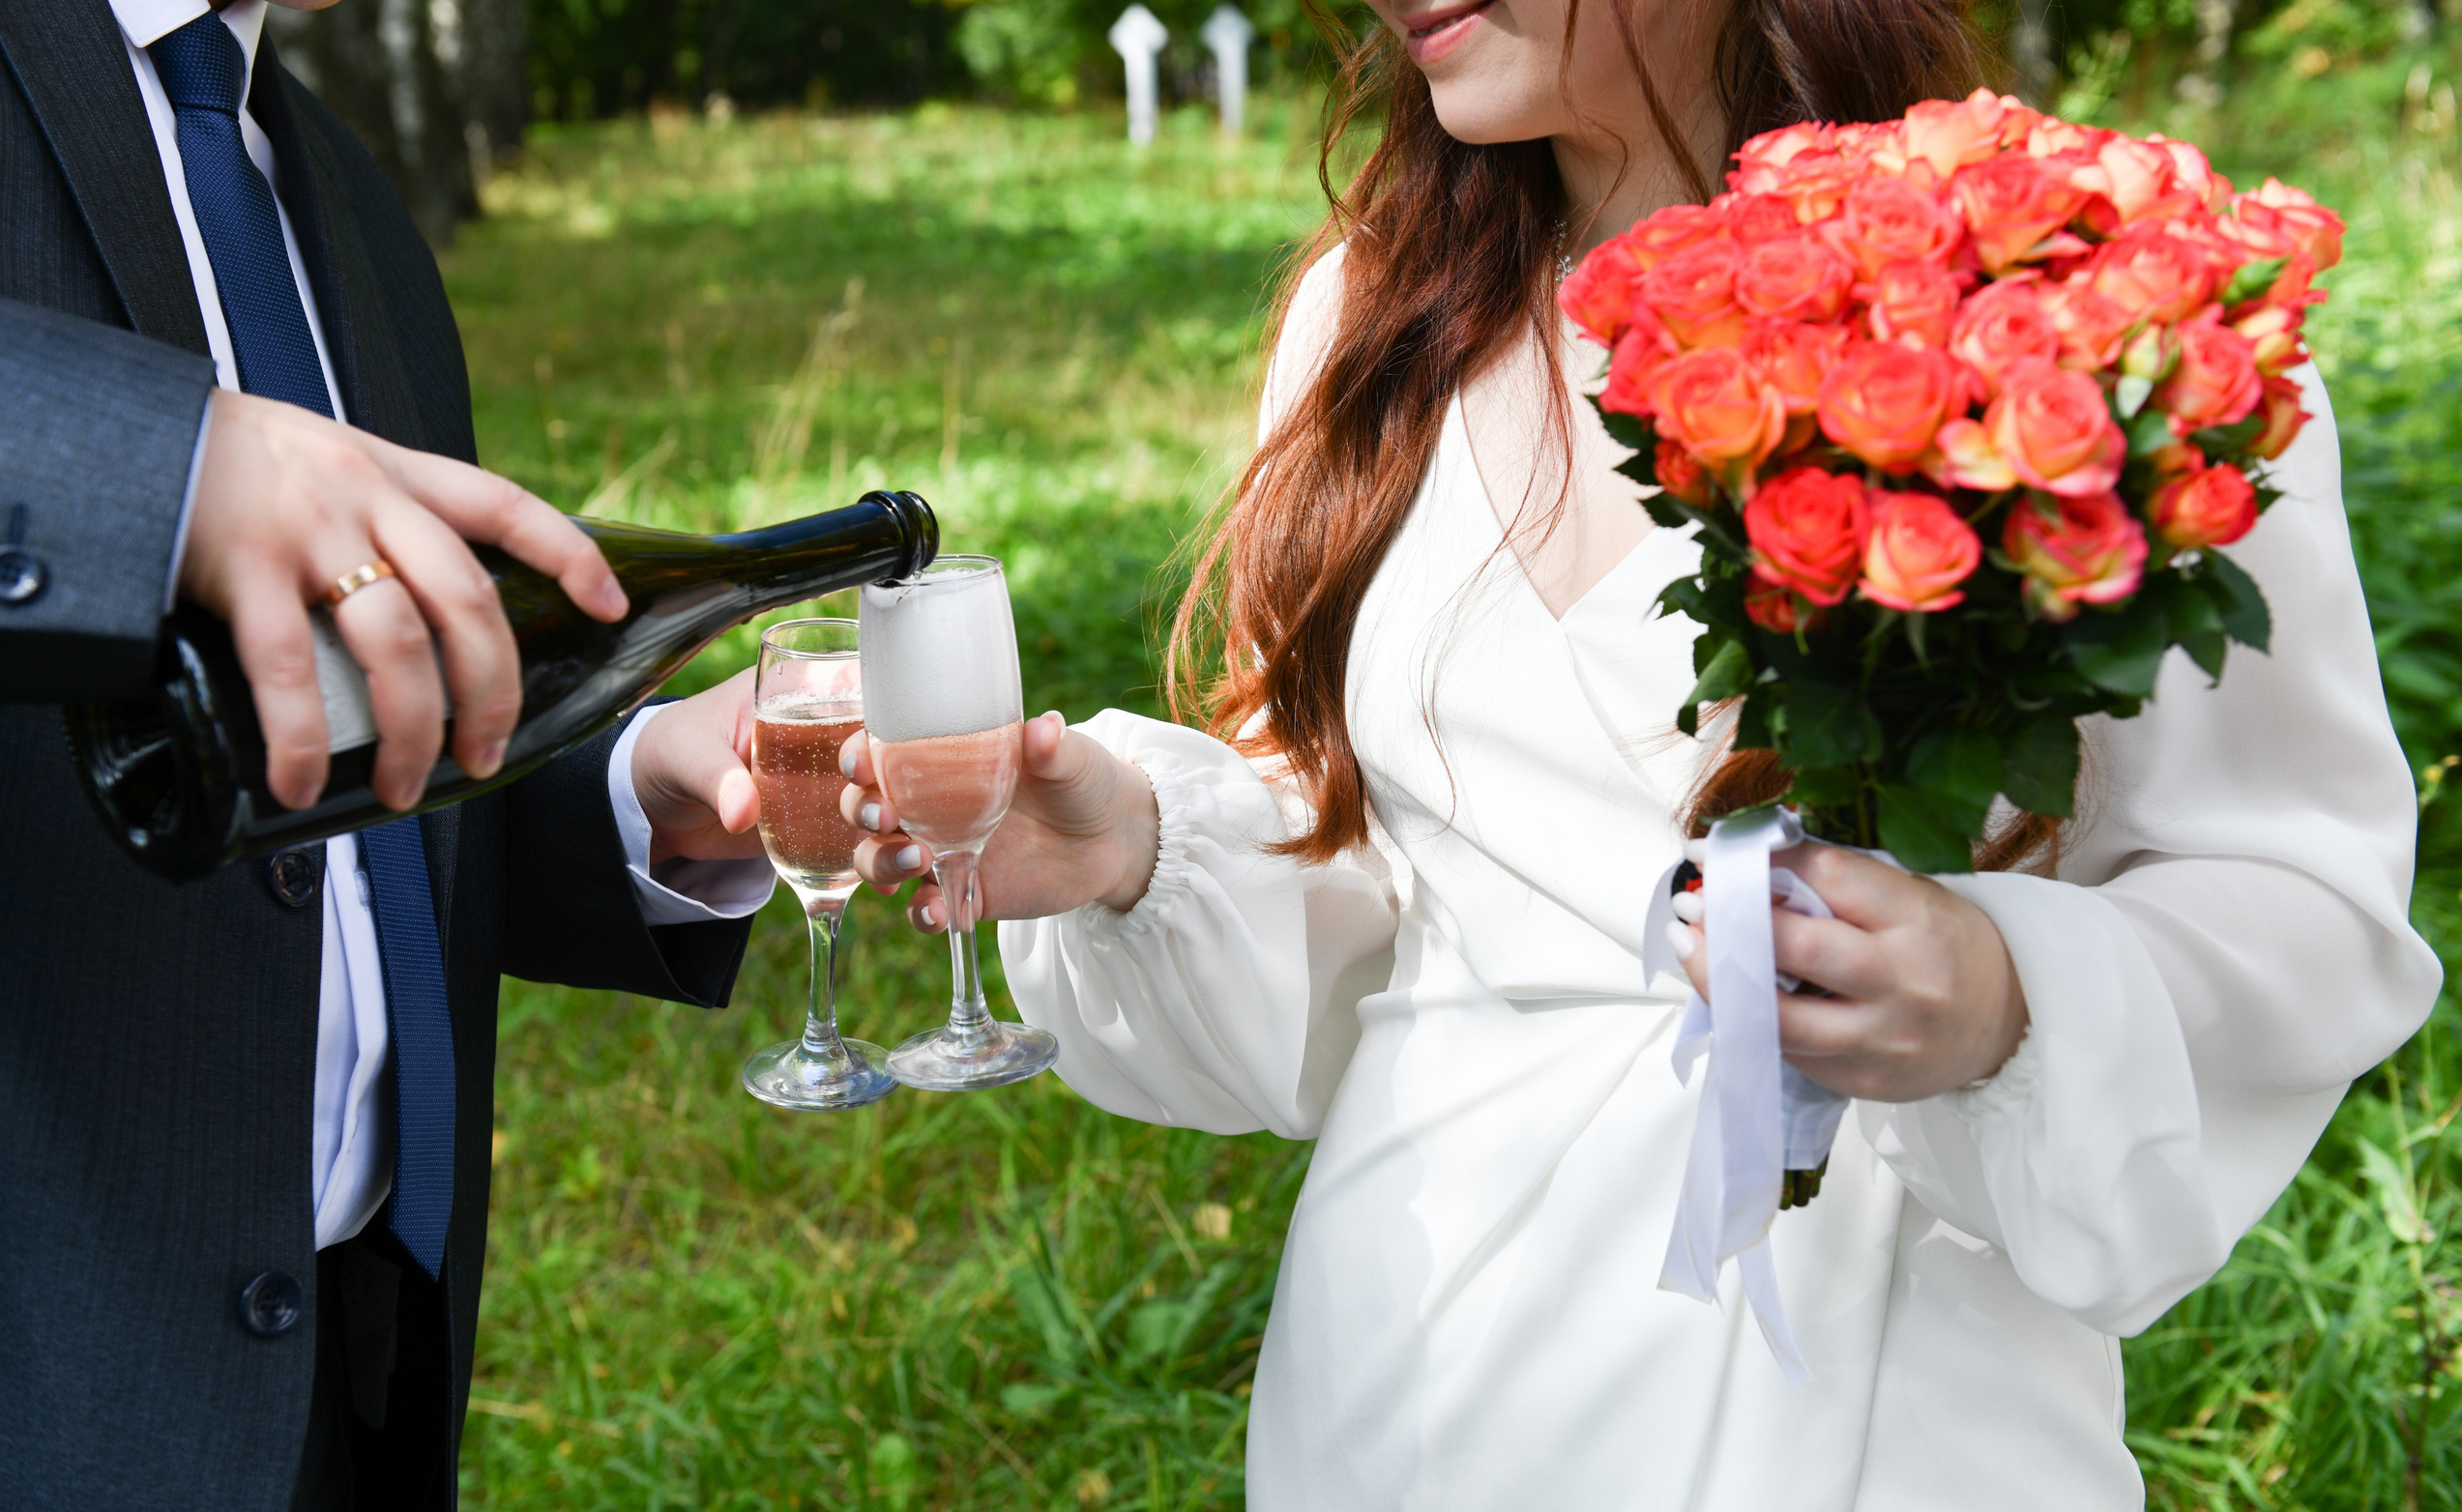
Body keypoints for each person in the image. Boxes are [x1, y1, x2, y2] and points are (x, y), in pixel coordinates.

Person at [840, 1, 2442, 1505]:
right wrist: (1138, 851)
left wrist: (2005, 996)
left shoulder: (2091, 314)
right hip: (1415, 1353)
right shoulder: (1370, 313)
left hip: (1880, 1382)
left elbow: (2301, 895)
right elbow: (1379, 908)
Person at [0, 2, 775, 1507]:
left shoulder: (337, 188)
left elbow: (327, 762)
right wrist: (163, 460)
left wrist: (639, 800)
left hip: (345, 1376)